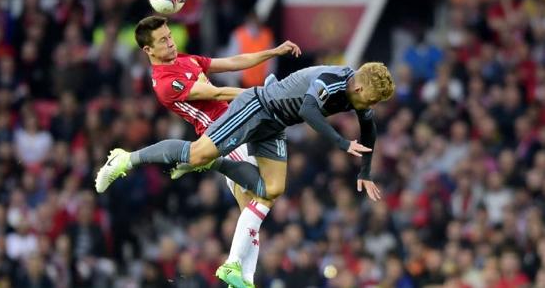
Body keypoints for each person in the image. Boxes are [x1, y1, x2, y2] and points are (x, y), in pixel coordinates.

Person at [95, 58, 395, 287]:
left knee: (271, 190)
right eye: (370, 99)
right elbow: (308, 110)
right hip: (257, 107)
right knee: (199, 152)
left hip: (275, 124)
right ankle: (126, 159)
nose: (370, 106)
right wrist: (342, 143)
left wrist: (365, 172)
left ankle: (237, 269)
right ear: (359, 87)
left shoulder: (359, 91)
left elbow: (369, 127)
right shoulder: (330, 81)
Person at [96, 15, 301, 288]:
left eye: (169, 36)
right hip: (223, 135)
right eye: (163, 41)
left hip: (241, 128)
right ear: (148, 50)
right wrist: (258, 95)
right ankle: (234, 265)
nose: (170, 43)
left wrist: (271, 52)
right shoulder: (165, 83)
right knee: (264, 195)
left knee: (252, 209)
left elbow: (230, 63)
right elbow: (215, 94)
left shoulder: (183, 59)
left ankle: (243, 279)